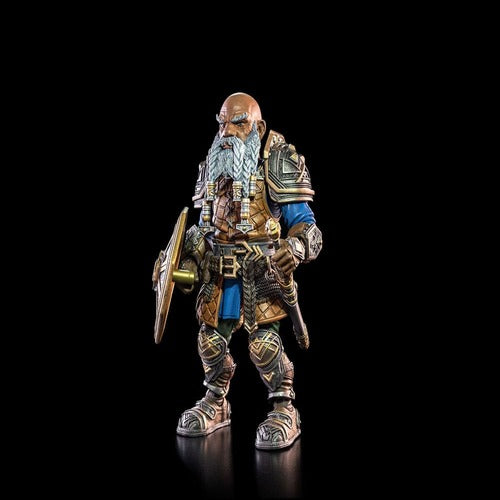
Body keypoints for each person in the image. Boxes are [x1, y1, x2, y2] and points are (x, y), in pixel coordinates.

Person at [175, 92, 322, 450]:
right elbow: (201, 228)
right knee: (210, 341)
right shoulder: (213, 165)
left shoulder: (277, 162)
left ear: (259, 126)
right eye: (222, 122)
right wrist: (187, 262)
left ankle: (284, 408)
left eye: (238, 123)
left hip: (262, 276)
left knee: (264, 346)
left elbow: (307, 226)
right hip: (219, 275)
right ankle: (216, 402)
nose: (227, 131)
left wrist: (296, 247)